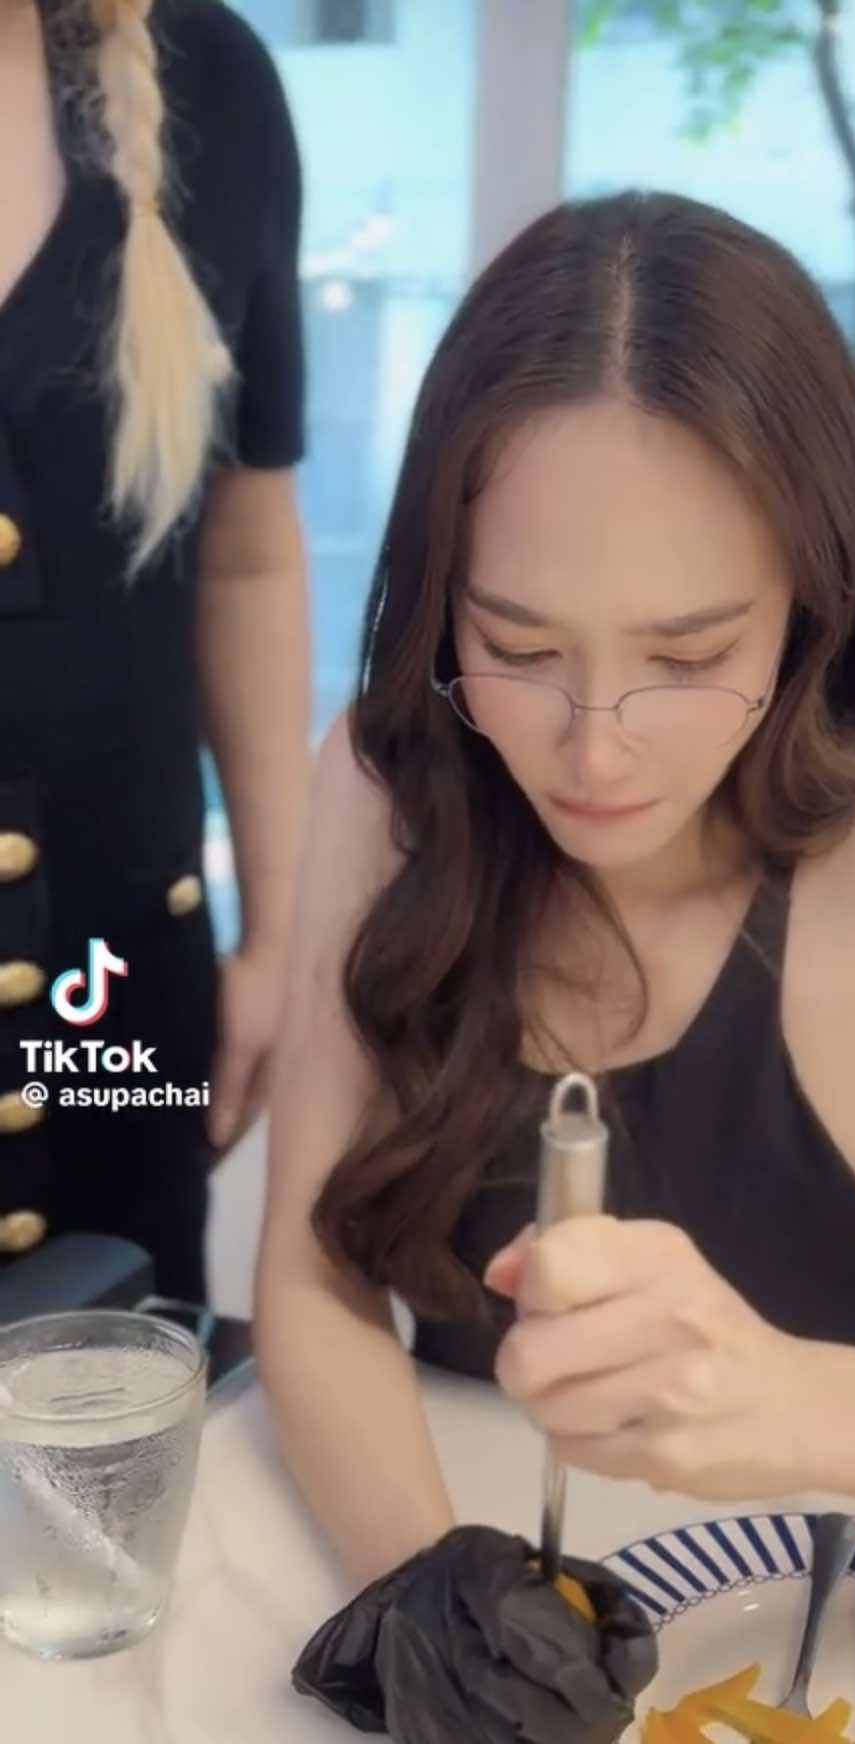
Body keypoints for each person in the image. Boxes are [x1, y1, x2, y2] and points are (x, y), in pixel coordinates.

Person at [254, 191, 855, 1587]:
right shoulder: (389, 789)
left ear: (811, 602)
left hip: (809, 1646)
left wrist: (785, 1404)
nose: (594, 751)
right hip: (480, 1565)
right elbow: (312, 1284)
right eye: (519, 648)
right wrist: (437, 1588)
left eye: (685, 658)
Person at [0, 0, 311, 1302]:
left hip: (115, 992)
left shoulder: (211, 81)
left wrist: (281, 938)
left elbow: (247, 556)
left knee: (117, 1395)